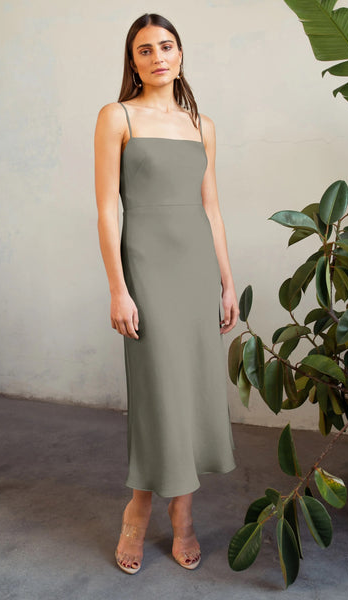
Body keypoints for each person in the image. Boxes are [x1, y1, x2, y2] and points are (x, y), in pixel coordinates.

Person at [94, 13, 239, 574]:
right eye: (145, 49)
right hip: (146, 268)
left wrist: (227, 282)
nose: (158, 56)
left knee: (195, 392)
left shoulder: (202, 124)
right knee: (158, 393)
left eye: (167, 46)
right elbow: (108, 208)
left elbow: (212, 208)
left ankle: (183, 515)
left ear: (181, 54)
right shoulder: (117, 116)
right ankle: (138, 507)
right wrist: (117, 287)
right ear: (133, 62)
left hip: (197, 270)